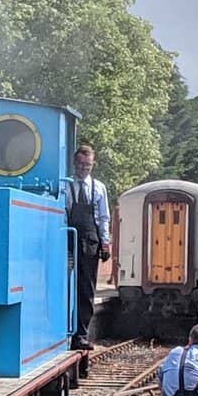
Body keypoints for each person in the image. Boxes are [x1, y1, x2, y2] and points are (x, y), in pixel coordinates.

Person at [65, 145, 111, 350]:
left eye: (87, 165)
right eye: (81, 164)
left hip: (90, 243)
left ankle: (82, 334)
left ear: (92, 165)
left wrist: (105, 242)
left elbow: (103, 218)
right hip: (68, 240)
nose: (83, 168)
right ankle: (65, 330)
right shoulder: (66, 186)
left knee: (87, 290)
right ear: (75, 163)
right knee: (67, 286)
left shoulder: (98, 188)